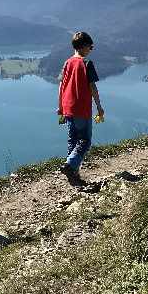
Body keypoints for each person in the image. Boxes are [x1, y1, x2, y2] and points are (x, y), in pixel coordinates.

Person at [57, 31, 105, 182]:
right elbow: (92, 87)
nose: (91, 49)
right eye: (90, 47)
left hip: (68, 107)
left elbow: (61, 86)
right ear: (84, 47)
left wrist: (60, 107)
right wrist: (99, 107)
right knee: (85, 141)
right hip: (81, 108)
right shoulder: (86, 63)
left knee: (73, 140)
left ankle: (73, 174)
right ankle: (70, 165)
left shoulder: (67, 63)